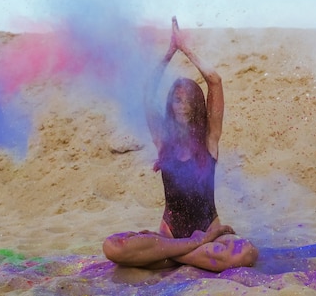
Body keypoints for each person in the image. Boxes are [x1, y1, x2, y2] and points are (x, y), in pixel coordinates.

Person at [103, 17, 258, 272]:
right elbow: (147, 91)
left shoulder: (210, 140)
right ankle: (188, 248)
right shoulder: (163, 141)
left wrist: (185, 49)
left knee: (246, 253)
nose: (182, 105)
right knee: (112, 246)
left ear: (198, 105)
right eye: (176, 100)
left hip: (208, 232)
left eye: (188, 100)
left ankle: (173, 256)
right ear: (170, 105)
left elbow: (215, 81)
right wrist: (168, 54)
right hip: (170, 235)